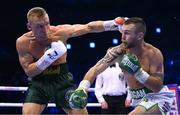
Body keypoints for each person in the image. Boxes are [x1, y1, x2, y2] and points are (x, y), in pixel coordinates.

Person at [16, 7, 127, 114]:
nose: (45, 30)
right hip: (39, 83)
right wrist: (48, 57)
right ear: (29, 26)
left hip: (62, 82)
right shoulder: (23, 42)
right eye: (39, 26)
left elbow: (89, 27)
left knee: (80, 110)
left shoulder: (59, 32)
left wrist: (113, 24)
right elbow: (29, 71)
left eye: (47, 24)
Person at [73, 17, 175, 114]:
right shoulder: (118, 53)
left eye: (127, 33)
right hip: (138, 100)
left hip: (157, 98)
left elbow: (157, 87)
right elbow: (95, 69)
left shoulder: (153, 53)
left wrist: (138, 72)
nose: (122, 37)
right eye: (122, 32)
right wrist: (82, 88)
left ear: (140, 36)